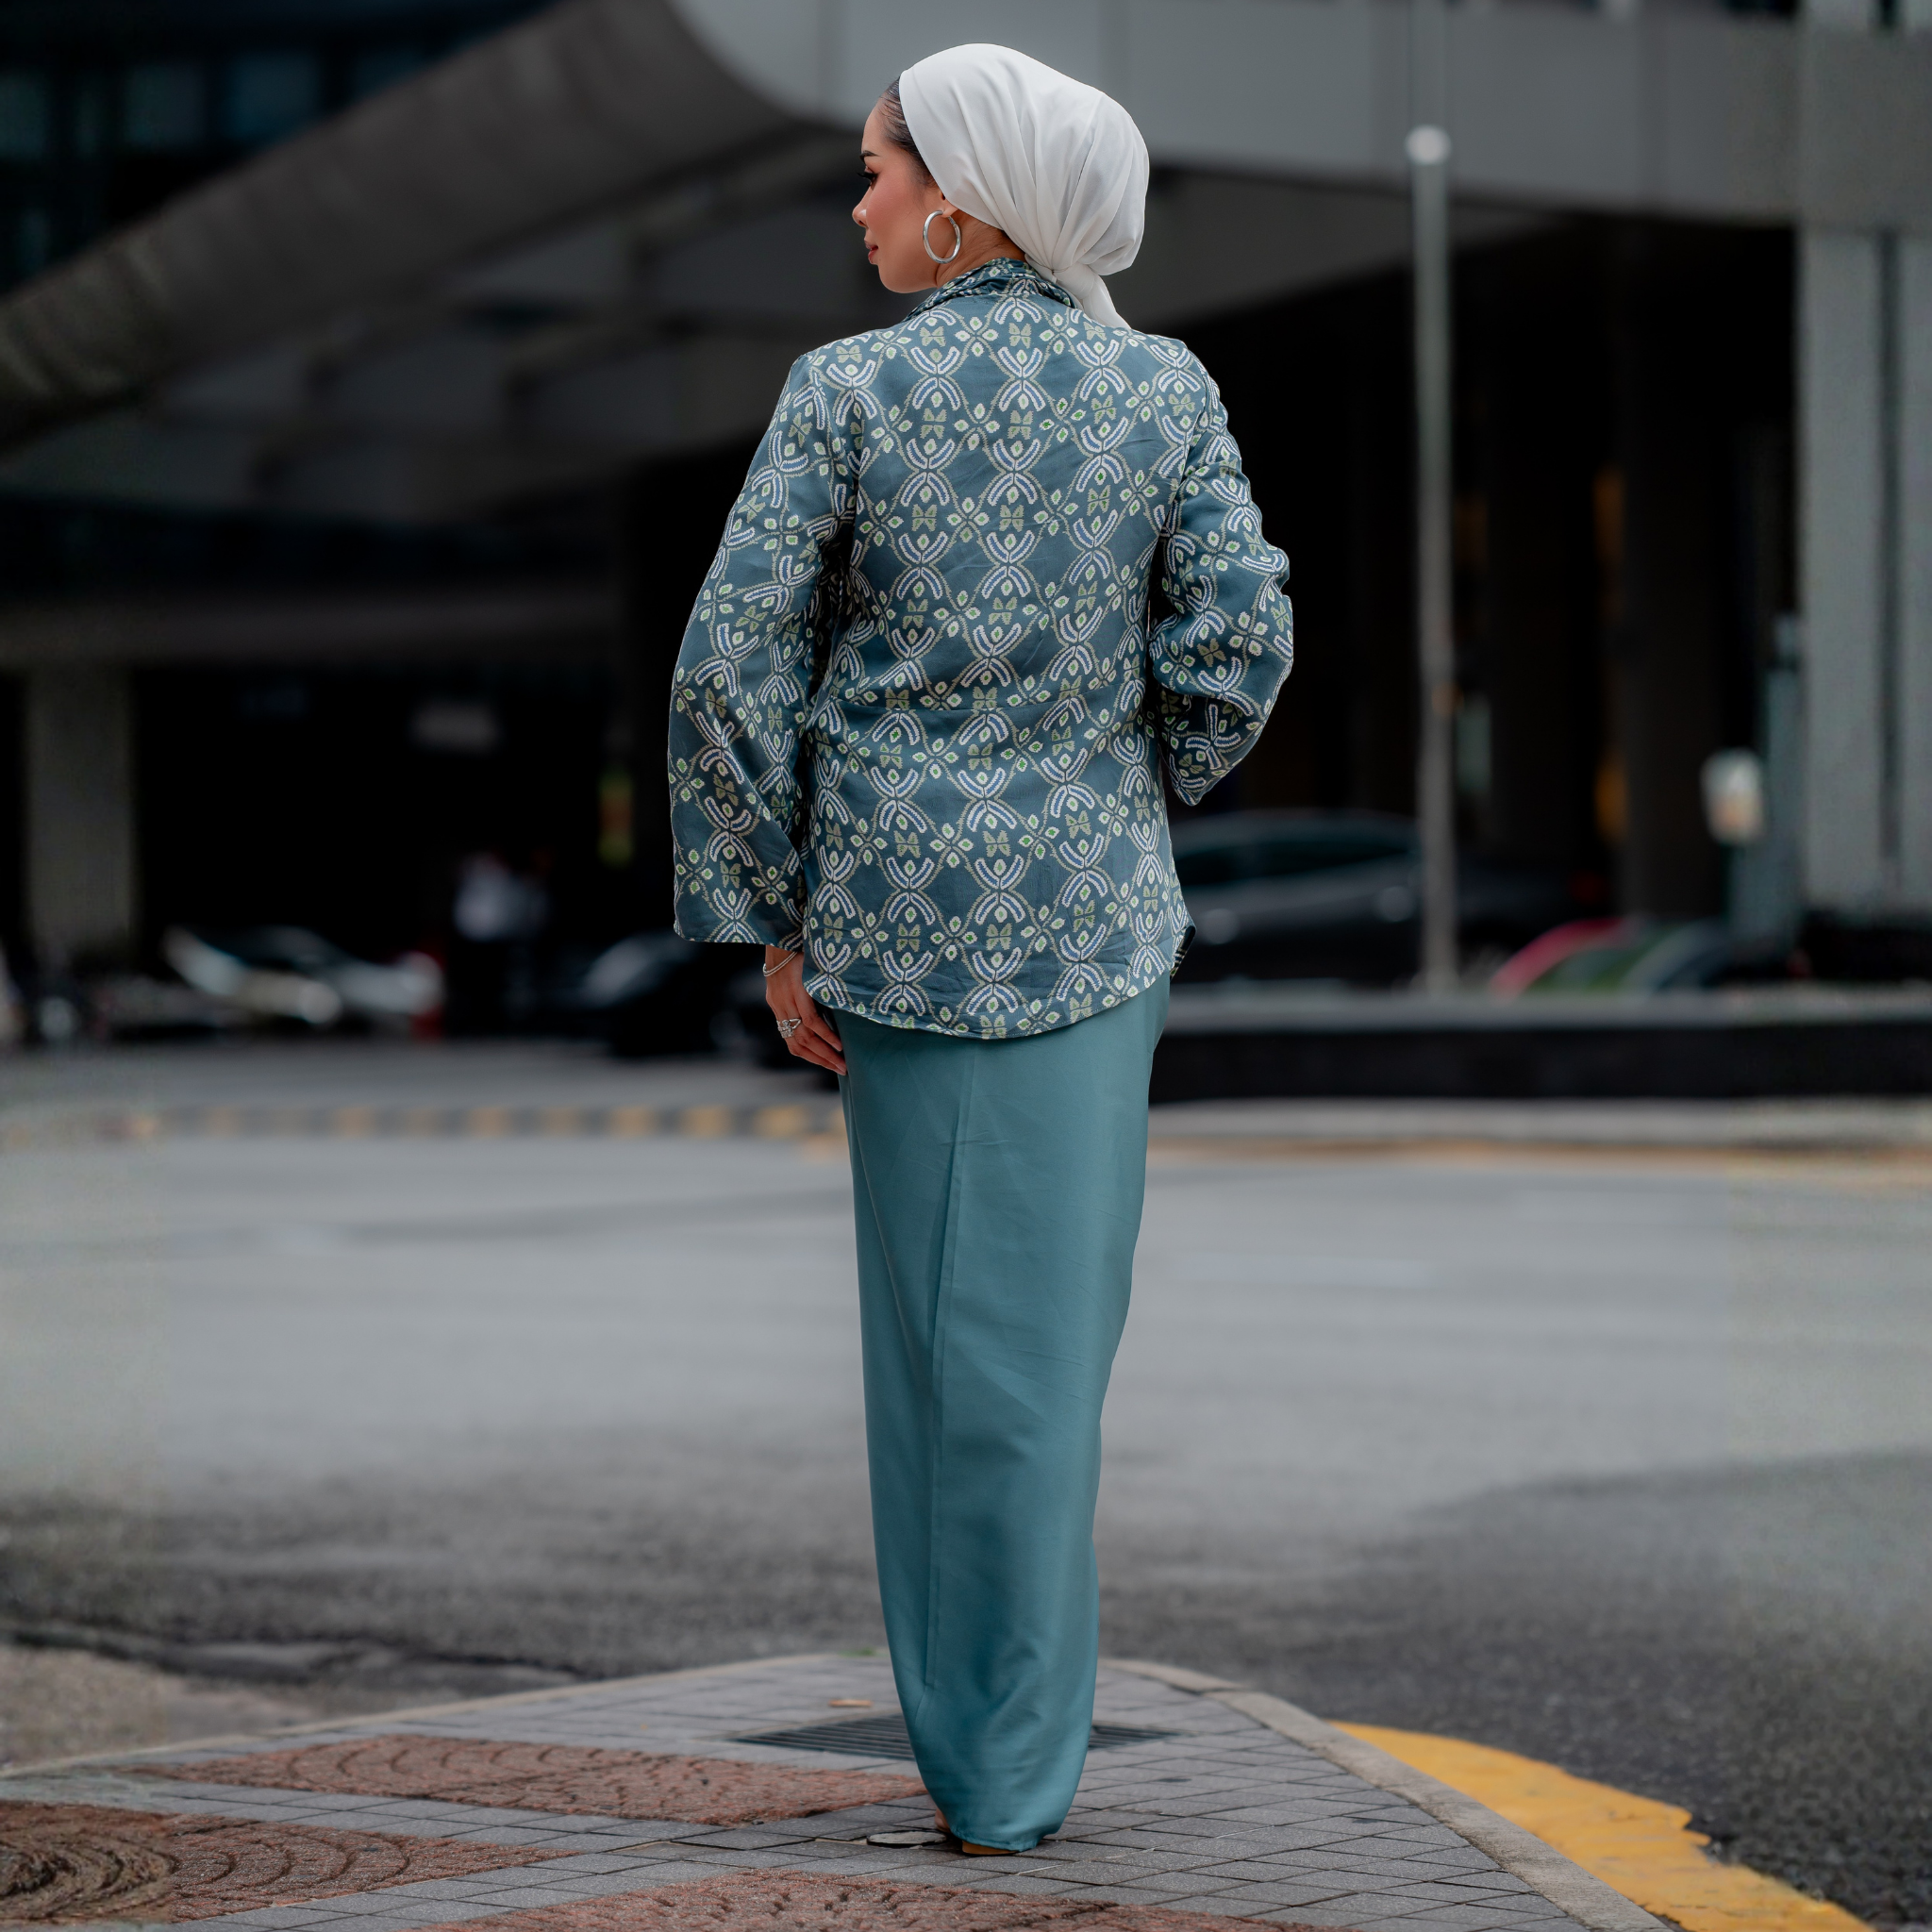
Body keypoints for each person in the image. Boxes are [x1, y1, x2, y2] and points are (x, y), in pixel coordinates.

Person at [668, 43, 1293, 1855]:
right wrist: (1126, 783)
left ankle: (989, 1763)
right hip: (1102, 930)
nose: (855, 201)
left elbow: (727, 668)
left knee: (939, 1371)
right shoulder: (1162, 387)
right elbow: (1240, 640)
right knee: (1047, 1364)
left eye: (874, 170)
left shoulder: (845, 393)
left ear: (958, 198)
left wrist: (775, 911)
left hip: (895, 938)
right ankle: (1021, 1760)